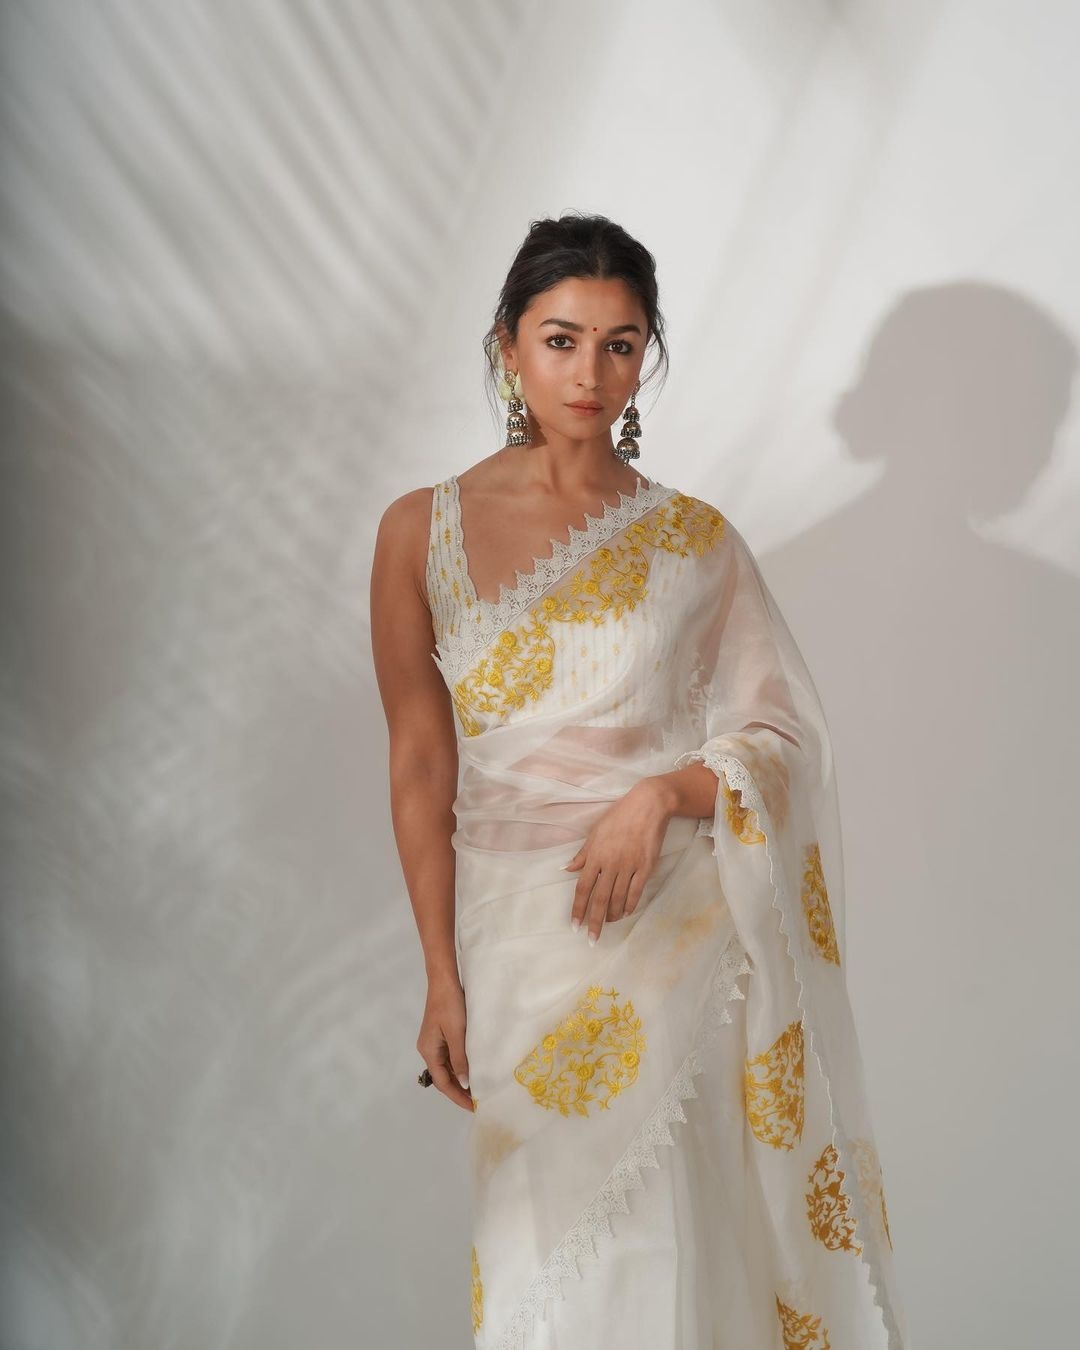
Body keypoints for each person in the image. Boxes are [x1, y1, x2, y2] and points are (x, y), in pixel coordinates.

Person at [369, 213, 908, 1349]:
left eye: (620, 344)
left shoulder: (691, 540)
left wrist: (662, 795)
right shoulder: (420, 531)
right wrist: (439, 976)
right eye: (561, 339)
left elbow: (786, 733)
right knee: (539, 1256)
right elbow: (420, 759)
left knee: (672, 1236)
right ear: (509, 344)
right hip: (513, 940)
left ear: (646, 355)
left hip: (673, 927)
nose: (590, 373)